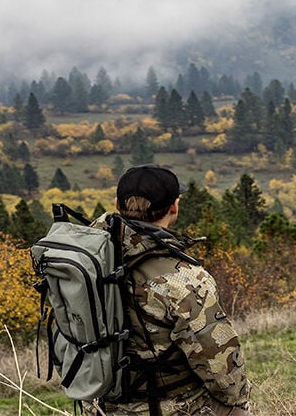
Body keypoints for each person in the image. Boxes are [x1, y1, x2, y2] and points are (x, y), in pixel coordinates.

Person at [94, 165, 252, 416]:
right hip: (166, 407)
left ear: (117, 204)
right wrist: (239, 399)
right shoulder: (184, 279)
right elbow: (222, 373)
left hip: (99, 402)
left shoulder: (88, 260)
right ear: (173, 207)